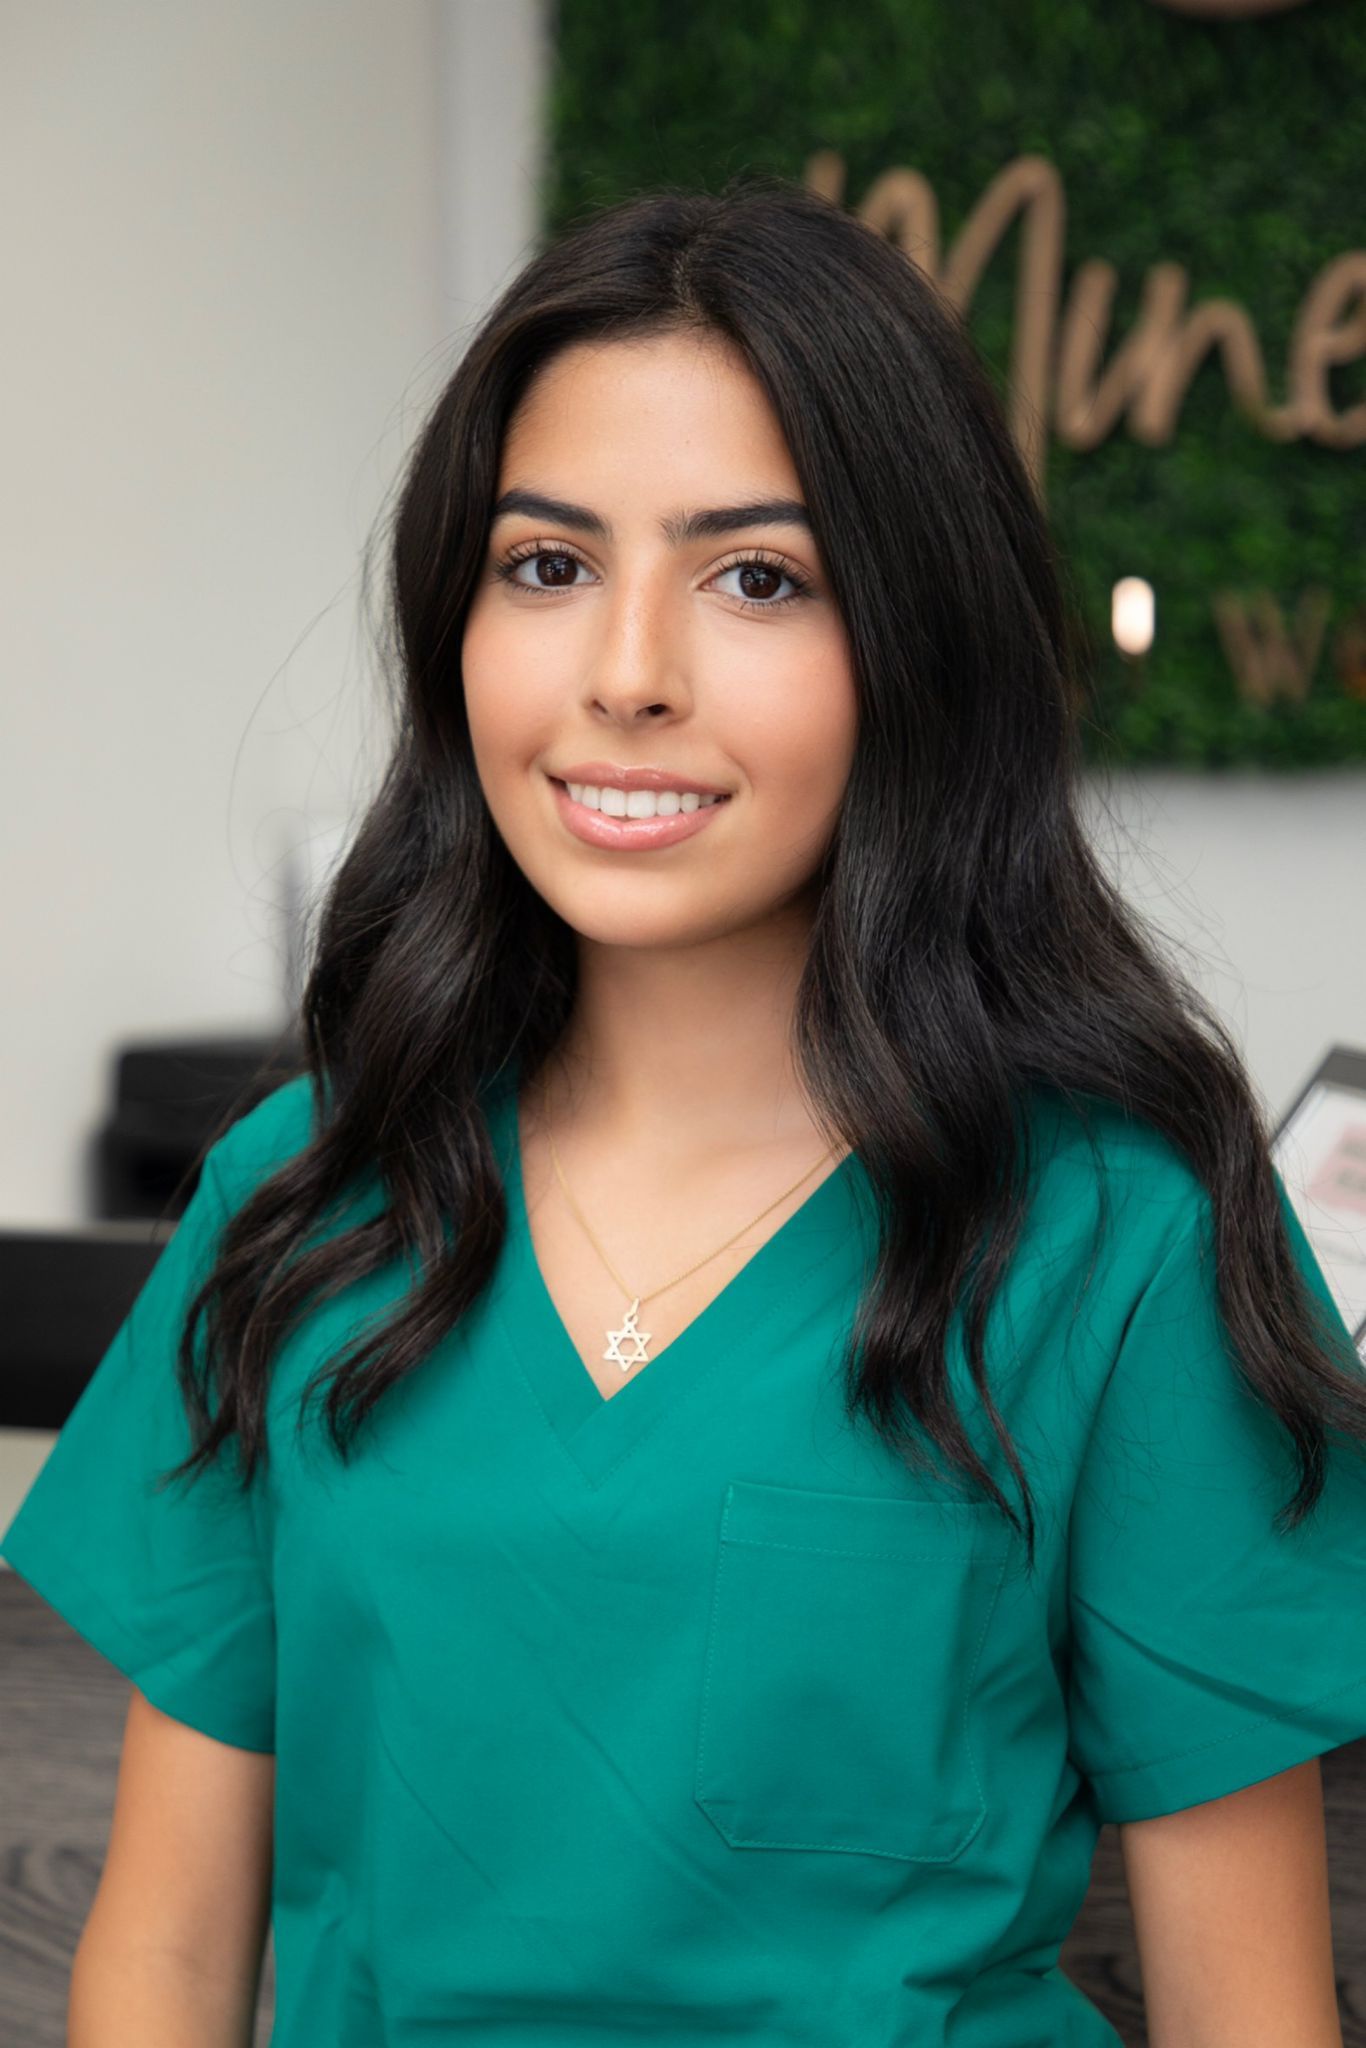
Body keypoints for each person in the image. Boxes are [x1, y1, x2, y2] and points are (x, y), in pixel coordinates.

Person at [5, 171, 1365, 2048]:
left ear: (917, 643)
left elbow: (1247, 2014)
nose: (625, 675)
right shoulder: (298, 1199)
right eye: (546, 566)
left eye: (757, 579)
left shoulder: (1125, 1234)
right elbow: (161, 1964)